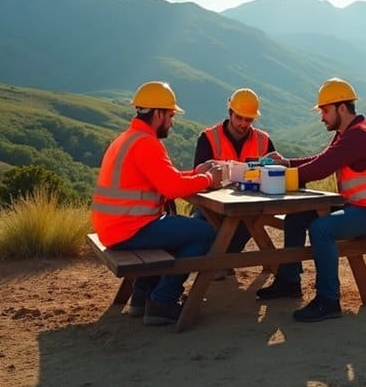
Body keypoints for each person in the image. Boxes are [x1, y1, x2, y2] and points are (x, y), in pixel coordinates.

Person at [258, 77, 366, 323]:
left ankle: (328, 300)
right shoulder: (347, 133)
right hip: (355, 206)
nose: (322, 116)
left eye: (324, 110)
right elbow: (323, 159)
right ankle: (289, 282)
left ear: (341, 108)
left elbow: (320, 169)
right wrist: (286, 164)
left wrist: (280, 175)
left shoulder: (359, 137)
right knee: (296, 219)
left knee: (321, 229)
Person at [91, 81, 223, 326]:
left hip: (116, 227)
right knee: (205, 233)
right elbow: (171, 188)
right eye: (170, 115)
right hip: (128, 230)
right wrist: (207, 178)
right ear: (159, 113)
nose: (172, 122)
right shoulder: (146, 143)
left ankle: (141, 297)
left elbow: (166, 178)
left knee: (179, 230)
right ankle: (162, 300)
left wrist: (195, 173)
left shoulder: (129, 138)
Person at [191, 88, 277, 273]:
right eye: (239, 118)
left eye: (249, 119)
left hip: (250, 204)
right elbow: (199, 176)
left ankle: (220, 263)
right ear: (230, 113)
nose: (243, 124)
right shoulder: (208, 138)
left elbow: (271, 172)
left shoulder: (264, 140)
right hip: (211, 205)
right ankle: (217, 263)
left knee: (249, 222)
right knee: (202, 227)